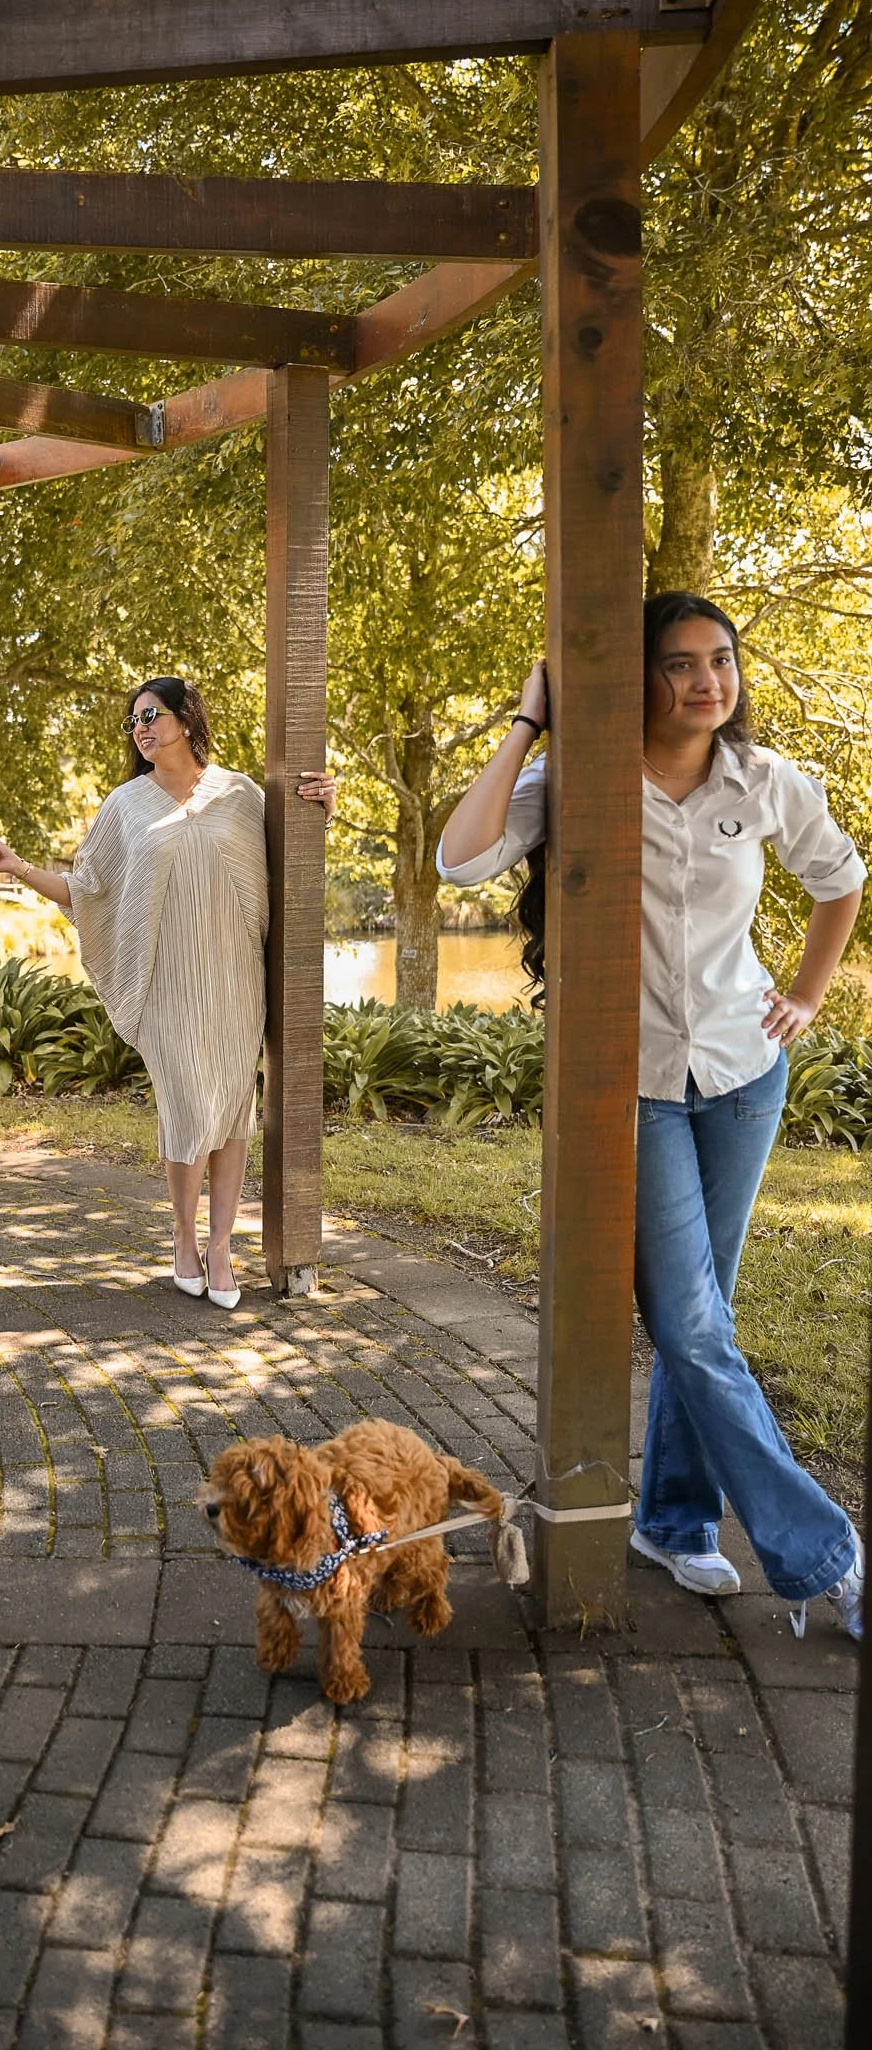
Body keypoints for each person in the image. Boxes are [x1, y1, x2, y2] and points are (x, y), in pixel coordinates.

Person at [437, 593, 866, 1640]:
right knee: (689, 1321)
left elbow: (840, 879)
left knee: (701, 1316)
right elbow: (459, 857)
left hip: (743, 1072)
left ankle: (674, 1523)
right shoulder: (576, 782)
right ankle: (825, 1554)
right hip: (632, 1085)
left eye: (721, 660)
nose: (708, 681)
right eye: (681, 664)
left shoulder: (764, 781)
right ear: (638, 678)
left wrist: (805, 994)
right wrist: (528, 720)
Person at [0, 677, 336, 1307]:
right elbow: (89, 889)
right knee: (189, 1107)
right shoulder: (125, 806)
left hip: (233, 980)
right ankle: (183, 1239)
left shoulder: (241, 794)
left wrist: (321, 804)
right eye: (134, 720)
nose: (141, 728)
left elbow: (292, 854)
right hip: (166, 983)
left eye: (152, 715)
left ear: (186, 720)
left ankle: (221, 1246)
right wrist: (19, 867)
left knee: (232, 1110)